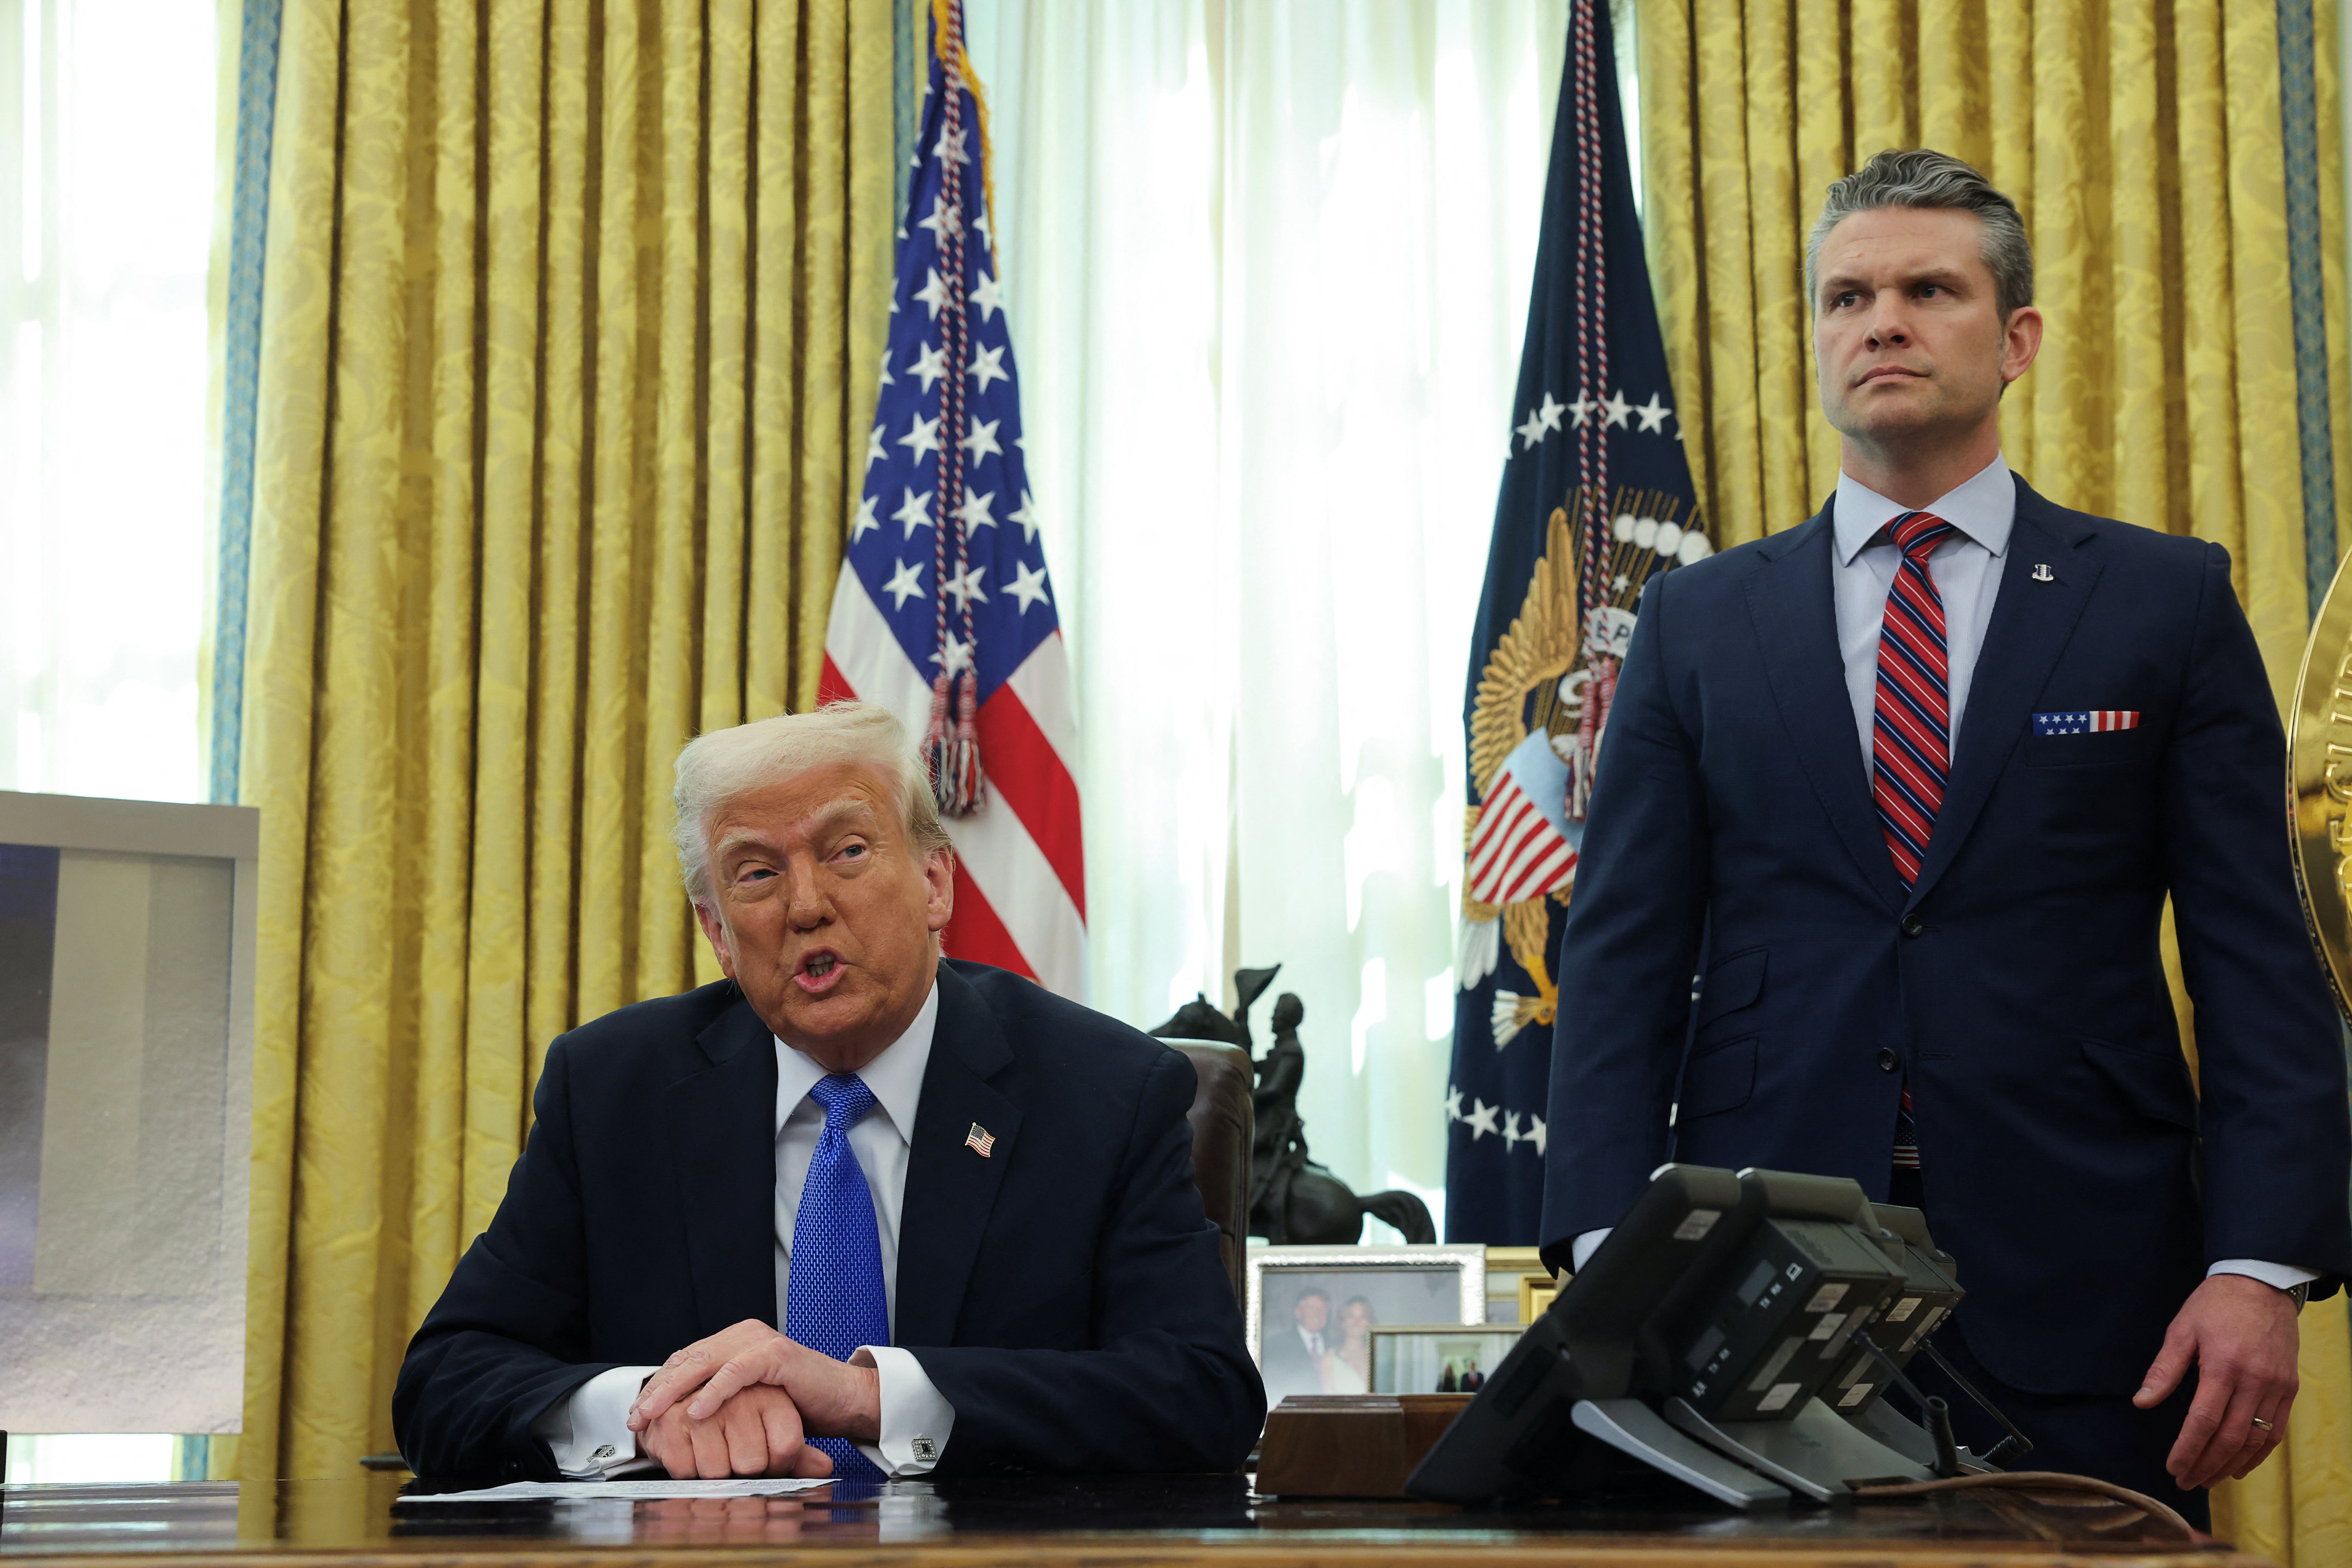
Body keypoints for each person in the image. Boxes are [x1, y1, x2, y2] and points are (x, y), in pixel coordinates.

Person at [1540, 148, 2352, 1526]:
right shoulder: (1697, 622)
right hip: (1751, 1291)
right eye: (1846, 298)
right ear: (1816, 339)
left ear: (2015, 337)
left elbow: (2258, 962)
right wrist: (1613, 1251)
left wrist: (2257, 1267)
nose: (1882, 323)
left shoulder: (2160, 601)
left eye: (1929, 290)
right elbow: (1619, 960)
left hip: (2092, 1292)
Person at [392, 703, 1265, 1481]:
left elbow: (1203, 1392)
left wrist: (867, 1397)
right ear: (718, 932)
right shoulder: (614, 1091)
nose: (806, 905)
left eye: (848, 851)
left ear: (935, 882)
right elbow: (446, 1381)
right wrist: (656, 1406)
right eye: (757, 873)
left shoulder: (1104, 1091)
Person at [1259, 1288, 1330, 1403]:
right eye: (1311, 1308)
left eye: (1323, 1309)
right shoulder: (1278, 1345)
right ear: (1298, 1313)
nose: (1318, 1314)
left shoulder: (1335, 1345)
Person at [1319, 1296, 1375, 1393]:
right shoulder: (1330, 1359)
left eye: (1362, 1317)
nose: (1357, 1323)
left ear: (1369, 1322)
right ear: (1343, 1321)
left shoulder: (1376, 1357)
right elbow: (1328, 1398)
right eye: (1352, 1317)